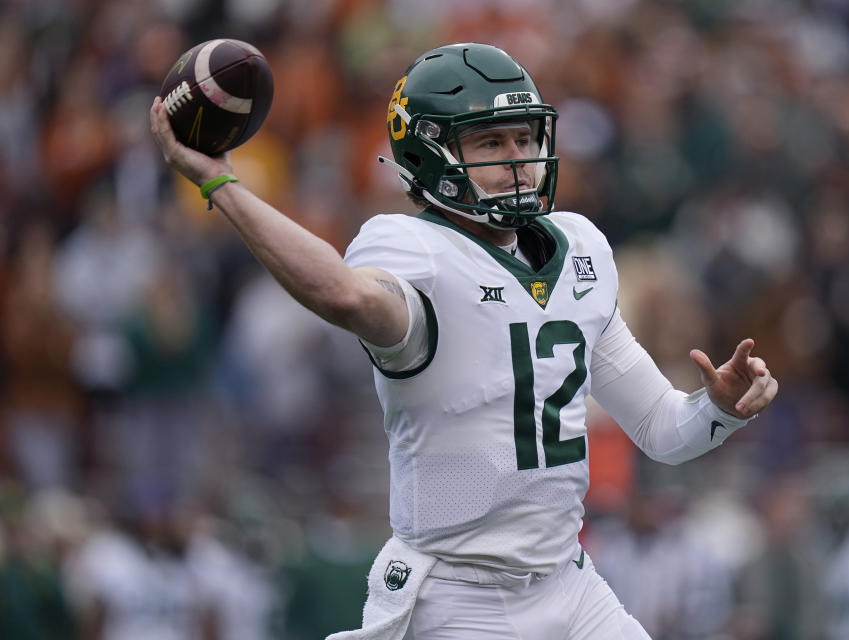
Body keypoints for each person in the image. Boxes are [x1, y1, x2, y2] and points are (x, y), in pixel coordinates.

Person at [150, 42, 778, 640]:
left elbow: (664, 432)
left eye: (525, 138)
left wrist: (717, 410)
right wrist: (222, 187)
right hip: (458, 596)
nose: (517, 159)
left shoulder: (582, 248)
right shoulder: (411, 249)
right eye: (490, 141)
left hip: (570, 583)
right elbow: (344, 294)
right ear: (429, 157)